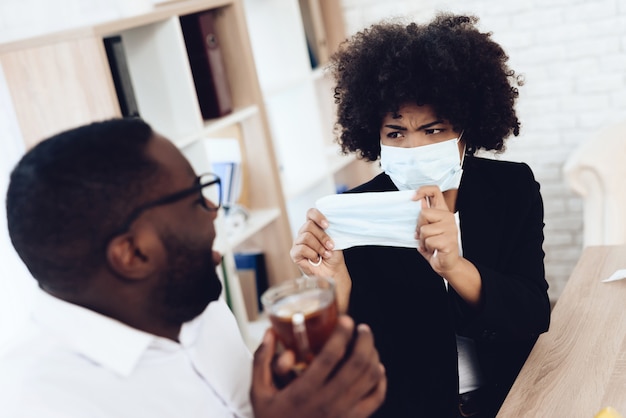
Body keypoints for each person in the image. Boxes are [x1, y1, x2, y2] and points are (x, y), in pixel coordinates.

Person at [0, 118, 386, 417]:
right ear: (133, 253)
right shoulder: (37, 402)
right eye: (194, 197)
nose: (214, 209)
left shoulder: (195, 306)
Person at [290, 13, 551, 418]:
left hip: (515, 399)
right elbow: (341, 367)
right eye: (396, 133)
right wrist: (334, 291)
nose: (414, 147)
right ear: (374, 136)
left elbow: (532, 314)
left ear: (467, 128)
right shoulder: (359, 215)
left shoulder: (511, 189)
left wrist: (456, 267)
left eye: (434, 130)